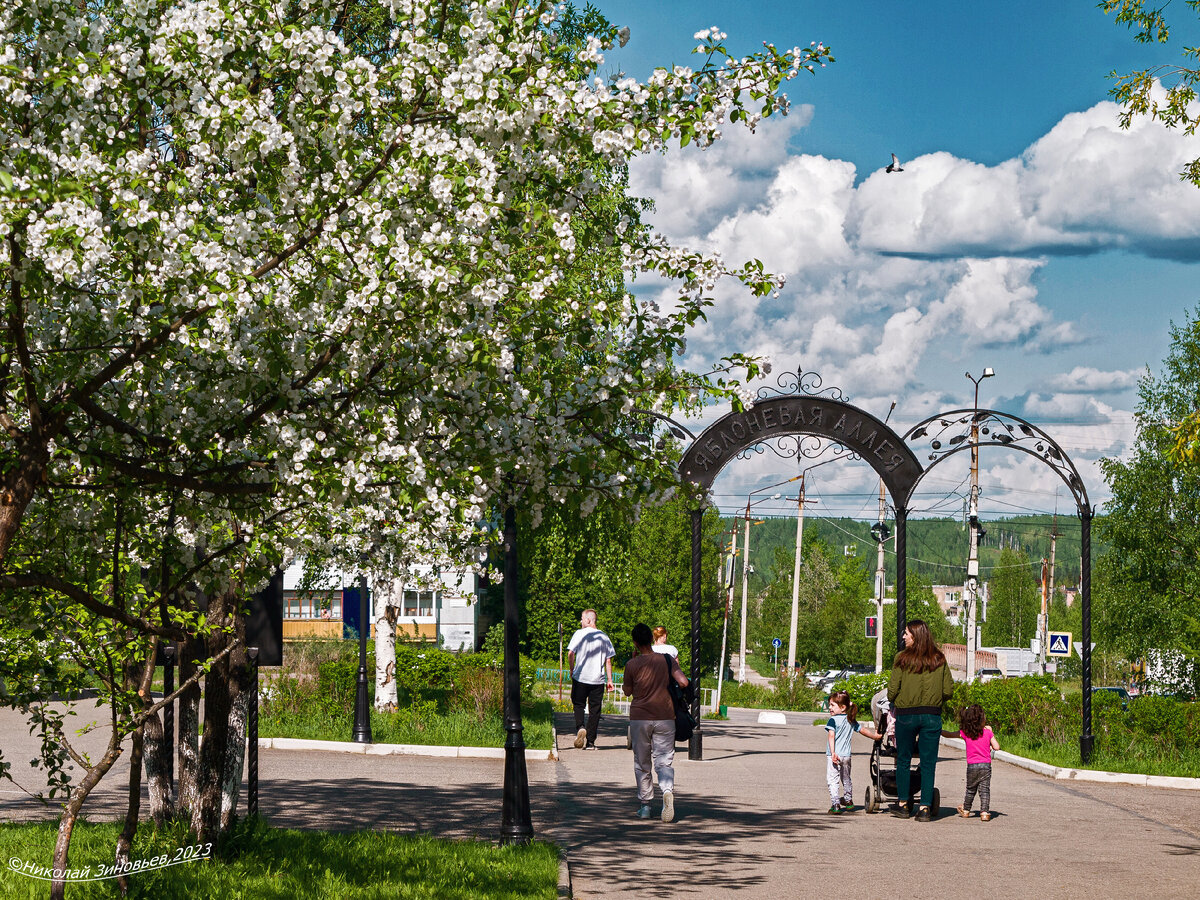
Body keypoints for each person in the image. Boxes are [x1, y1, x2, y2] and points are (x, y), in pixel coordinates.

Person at [887, 619, 954, 821]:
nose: (904, 636)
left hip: (906, 715)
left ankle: (903, 804)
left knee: (904, 760)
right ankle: (924, 807)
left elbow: (891, 692)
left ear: (915, 636)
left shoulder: (901, 658)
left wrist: (898, 700)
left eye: (906, 633)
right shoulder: (939, 659)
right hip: (932, 716)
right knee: (928, 762)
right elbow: (948, 690)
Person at [623, 622, 689, 822]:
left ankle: (645, 807)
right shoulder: (667, 660)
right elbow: (684, 682)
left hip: (640, 718)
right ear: (652, 639)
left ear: (635, 643)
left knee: (642, 762)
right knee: (664, 760)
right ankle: (667, 790)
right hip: (666, 716)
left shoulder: (631, 664)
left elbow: (627, 691)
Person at [824, 689, 883, 813]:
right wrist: (875, 736)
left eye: (832, 705)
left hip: (834, 755)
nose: (830, 708)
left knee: (832, 779)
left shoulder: (833, 720)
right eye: (830, 705)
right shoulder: (850, 719)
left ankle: (835, 804)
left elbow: (831, 736)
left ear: (843, 707)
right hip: (846, 756)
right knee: (846, 778)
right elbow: (862, 730)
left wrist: (833, 752)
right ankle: (848, 800)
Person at [567, 609, 615, 750]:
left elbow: (571, 653)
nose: (580, 622)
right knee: (595, 710)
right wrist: (610, 680)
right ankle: (590, 742)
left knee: (578, 704)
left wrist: (571, 669)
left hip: (580, 677)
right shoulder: (604, 637)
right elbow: (608, 661)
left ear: (588, 620)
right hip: (597, 680)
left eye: (581, 619)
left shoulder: (579, 634)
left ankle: (581, 726)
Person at [942, 704, 1000, 821]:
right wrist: (991, 733)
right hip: (986, 766)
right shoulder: (987, 733)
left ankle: (966, 810)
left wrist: (939, 731)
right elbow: (996, 747)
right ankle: (985, 812)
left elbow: (949, 734)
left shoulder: (965, 733)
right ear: (982, 719)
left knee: (970, 789)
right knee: (984, 790)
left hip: (972, 766)